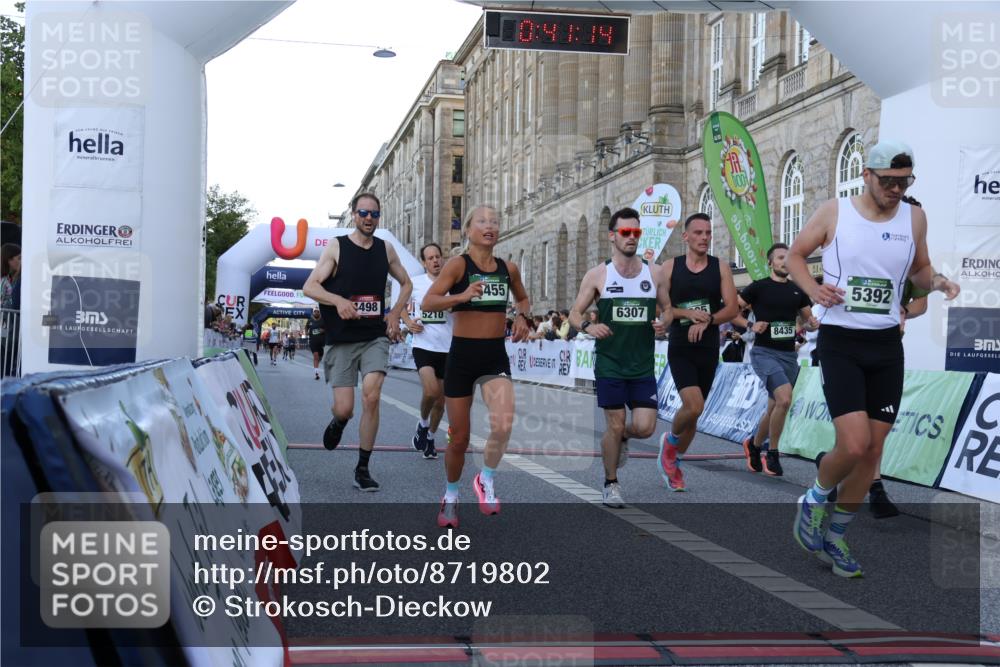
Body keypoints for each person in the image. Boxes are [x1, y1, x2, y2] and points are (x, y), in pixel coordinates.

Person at [788, 141, 960, 577]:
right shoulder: (834, 212)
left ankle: (838, 535)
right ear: (867, 175)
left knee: (872, 452)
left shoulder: (914, 217)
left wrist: (936, 281)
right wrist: (813, 290)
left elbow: (920, 269)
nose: (896, 190)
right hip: (841, 340)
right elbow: (794, 256)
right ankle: (814, 498)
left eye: (905, 182)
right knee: (854, 443)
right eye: (888, 181)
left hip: (885, 345)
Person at [421, 205, 531, 527]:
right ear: (469, 229)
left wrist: (522, 316)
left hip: (494, 355)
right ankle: (451, 495)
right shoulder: (458, 265)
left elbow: (522, 298)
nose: (490, 226)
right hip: (462, 356)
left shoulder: (508, 268)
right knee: (460, 438)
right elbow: (429, 301)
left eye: (494, 222)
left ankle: (485, 478)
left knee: (503, 423)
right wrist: (462, 295)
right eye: (482, 221)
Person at [303, 192, 413, 492]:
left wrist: (394, 315)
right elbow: (310, 286)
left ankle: (363, 467)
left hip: (374, 336)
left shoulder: (385, 249)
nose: (369, 218)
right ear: (354, 214)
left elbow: (407, 283)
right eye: (363, 213)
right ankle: (338, 422)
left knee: (372, 396)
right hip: (342, 340)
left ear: (379, 217)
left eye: (374, 214)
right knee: (345, 409)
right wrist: (337, 300)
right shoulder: (337, 247)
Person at [568, 207, 671, 507]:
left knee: (645, 427)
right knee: (613, 424)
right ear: (612, 236)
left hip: (641, 364)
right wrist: (589, 325)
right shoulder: (599, 274)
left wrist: (664, 322)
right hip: (610, 362)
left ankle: (620, 439)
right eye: (625, 233)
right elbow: (575, 313)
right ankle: (611, 483)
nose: (631, 238)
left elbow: (668, 309)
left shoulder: (655, 272)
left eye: (636, 232)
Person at [658, 213, 739, 491]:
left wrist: (708, 320)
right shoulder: (670, 267)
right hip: (680, 345)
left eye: (708, 233)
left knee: (695, 414)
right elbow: (663, 308)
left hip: (707, 346)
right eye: (698, 233)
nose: (705, 237)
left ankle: (675, 462)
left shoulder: (720, 268)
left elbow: (731, 308)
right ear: (686, 237)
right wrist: (686, 313)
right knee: (694, 406)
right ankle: (669, 444)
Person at [738, 243, 819, 477]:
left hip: (788, 356)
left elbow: (807, 322)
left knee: (774, 406)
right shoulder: (758, 287)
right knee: (784, 400)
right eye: (780, 257)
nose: (785, 261)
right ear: (771, 262)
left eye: (788, 257)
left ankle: (753, 444)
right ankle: (772, 453)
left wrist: (810, 325)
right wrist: (751, 325)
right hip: (764, 353)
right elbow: (732, 310)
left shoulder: (797, 290)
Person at [404, 242, 453, 460]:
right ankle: (422, 424)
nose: (435, 261)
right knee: (431, 391)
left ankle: (431, 437)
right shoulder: (415, 284)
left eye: (437, 257)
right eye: (430, 258)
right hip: (423, 344)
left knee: (441, 403)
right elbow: (398, 308)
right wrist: (408, 323)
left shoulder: (452, 284)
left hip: (448, 347)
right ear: (424, 263)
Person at [307, 309, 326, 380]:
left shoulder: (323, 320)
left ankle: (318, 362)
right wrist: (306, 332)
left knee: (319, 357)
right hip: (313, 342)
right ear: (313, 313)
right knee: (315, 356)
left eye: (318, 311)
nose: (316, 313)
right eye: (315, 311)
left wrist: (323, 330)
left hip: (322, 342)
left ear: (319, 313)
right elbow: (306, 327)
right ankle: (316, 374)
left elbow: (329, 329)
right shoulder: (310, 320)